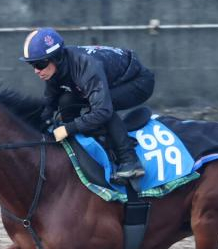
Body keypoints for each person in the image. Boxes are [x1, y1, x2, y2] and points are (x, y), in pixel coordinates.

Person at [19, 27, 155, 181]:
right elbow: (49, 102)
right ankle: (76, 146)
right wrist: (40, 125)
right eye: (32, 65)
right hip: (108, 80)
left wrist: (68, 128)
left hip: (139, 82)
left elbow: (103, 111)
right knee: (66, 100)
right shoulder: (55, 68)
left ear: (56, 58)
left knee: (102, 107)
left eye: (40, 64)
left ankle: (130, 161)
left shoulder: (86, 67)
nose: (36, 71)